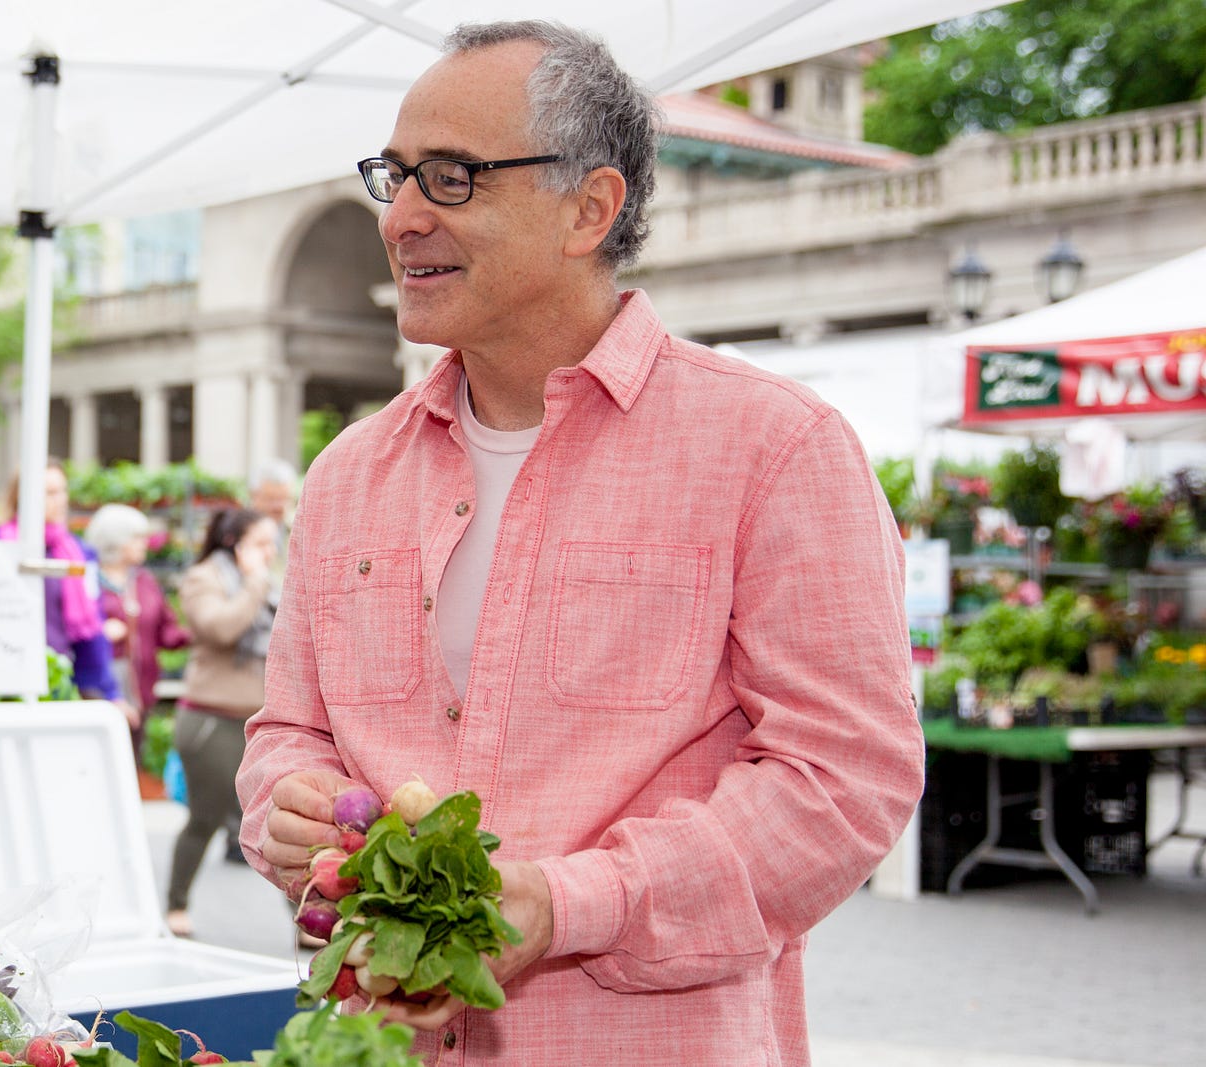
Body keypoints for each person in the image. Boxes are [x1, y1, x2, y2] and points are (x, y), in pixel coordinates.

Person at [235, 20, 923, 1064]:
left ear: (589, 209)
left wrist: (570, 904)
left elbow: (844, 779)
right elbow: (289, 730)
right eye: (396, 176)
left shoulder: (774, 447)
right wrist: (287, 806)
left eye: (452, 178)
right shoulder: (347, 475)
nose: (401, 217)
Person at [166, 506, 279, 939]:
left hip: (259, 720)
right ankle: (176, 905)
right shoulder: (204, 579)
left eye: (272, 544)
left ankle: (305, 916)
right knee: (205, 818)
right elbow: (222, 629)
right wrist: (254, 583)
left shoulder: (267, 583)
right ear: (235, 544)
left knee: (277, 820)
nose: (269, 553)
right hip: (211, 721)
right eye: (260, 543)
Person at [0, 460, 124, 707]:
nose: (60, 500)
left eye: (62, 491)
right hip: (0, 678)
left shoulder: (78, 553)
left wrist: (109, 692)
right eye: (49, 493)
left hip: (59, 680)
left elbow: (92, 629)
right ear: (22, 497)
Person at [84, 502, 192, 734]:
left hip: (140, 694)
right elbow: (73, 626)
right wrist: (100, 630)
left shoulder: (144, 581)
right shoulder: (87, 579)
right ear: (116, 541)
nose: (145, 544)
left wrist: (202, 632)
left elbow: (167, 632)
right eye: (137, 538)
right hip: (98, 693)